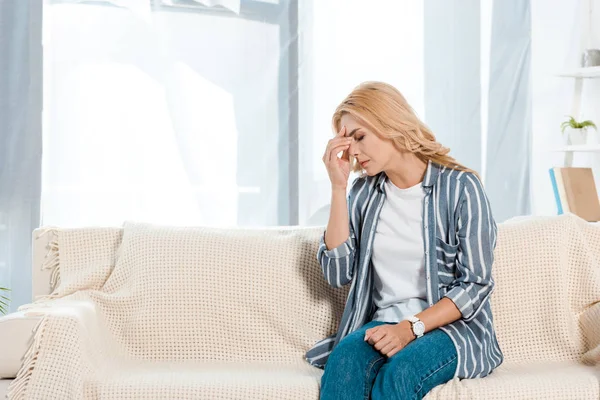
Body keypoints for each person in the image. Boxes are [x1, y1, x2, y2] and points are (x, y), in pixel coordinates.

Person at [305, 82, 503, 400]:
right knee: (343, 363)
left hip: (451, 330)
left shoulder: (460, 189)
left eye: (359, 136)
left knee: (402, 372)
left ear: (389, 124)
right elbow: (337, 274)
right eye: (346, 141)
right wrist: (338, 188)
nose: (352, 151)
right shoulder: (363, 194)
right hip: (383, 323)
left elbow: (475, 285)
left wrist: (410, 328)